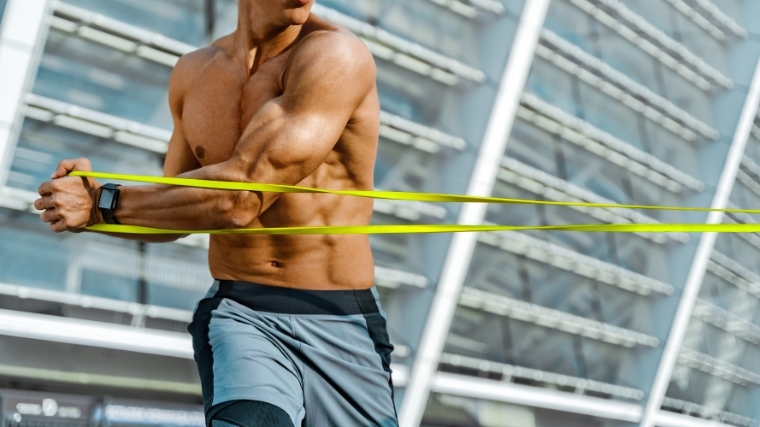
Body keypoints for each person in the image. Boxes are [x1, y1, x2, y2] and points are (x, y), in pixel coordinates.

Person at [33, 0, 397, 426]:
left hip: (339, 318)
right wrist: (90, 210)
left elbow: (239, 200)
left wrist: (101, 204)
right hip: (242, 311)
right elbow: (174, 214)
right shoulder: (195, 73)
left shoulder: (335, 56)